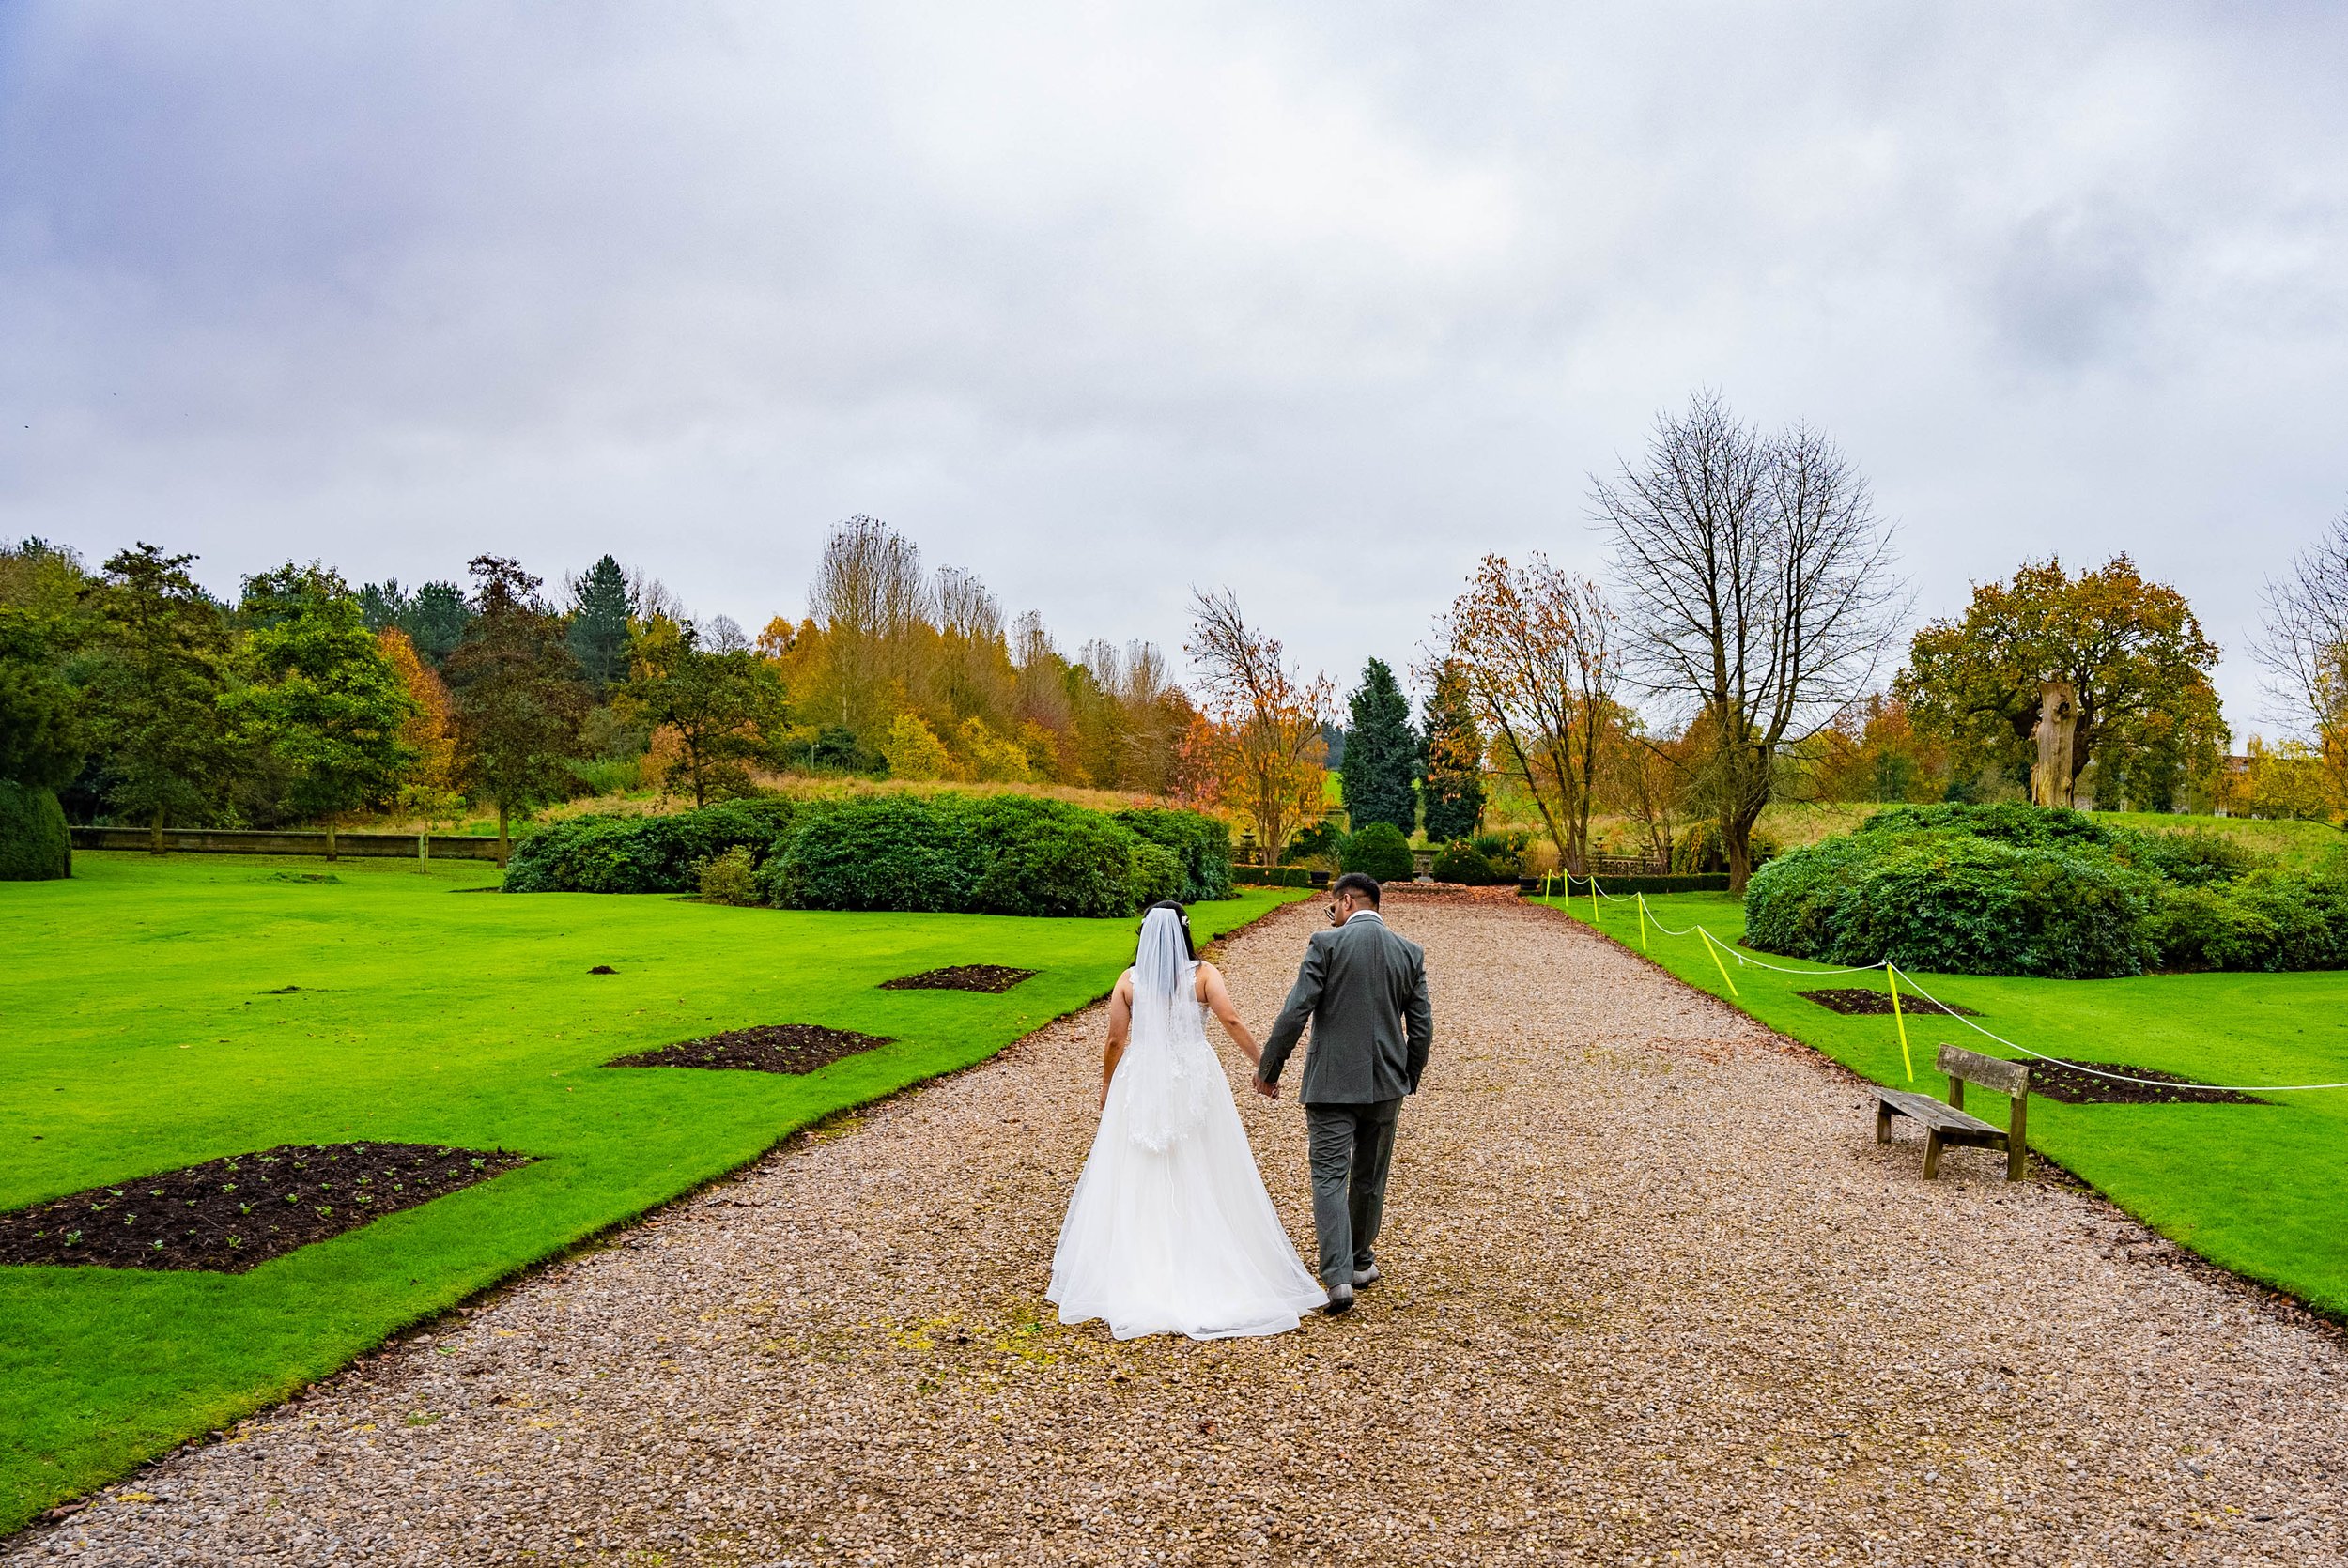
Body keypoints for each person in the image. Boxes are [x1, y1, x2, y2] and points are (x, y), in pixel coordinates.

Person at [1047, 901, 1327, 1339]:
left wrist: (1107, 1086)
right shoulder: (1203, 975)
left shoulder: (1129, 980)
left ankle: (1138, 1261)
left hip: (1143, 1076)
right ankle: (1206, 1253)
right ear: (1185, 932)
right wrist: (1263, 1067)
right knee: (1204, 1157)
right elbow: (1230, 1019)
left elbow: (1115, 1041)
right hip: (1194, 1074)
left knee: (1137, 1163)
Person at [1254, 871, 1433, 1314]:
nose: (1329, 913)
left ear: (1348, 902)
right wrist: (1407, 1075)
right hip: (1386, 1084)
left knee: (1330, 1175)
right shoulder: (1409, 952)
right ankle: (1360, 1261)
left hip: (1331, 1083)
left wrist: (1270, 1068)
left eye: (1331, 905)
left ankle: (1338, 1278)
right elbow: (1423, 1028)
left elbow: (1297, 1009)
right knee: (1370, 1176)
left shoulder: (1326, 945)